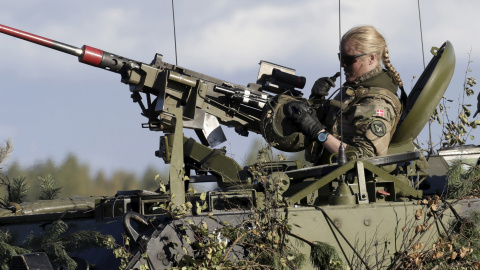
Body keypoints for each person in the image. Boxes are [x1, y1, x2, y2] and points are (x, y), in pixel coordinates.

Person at [285, 25, 403, 162]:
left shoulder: (377, 103)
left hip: (347, 181)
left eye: (349, 60)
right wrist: (316, 101)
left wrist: (319, 133)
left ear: (372, 58)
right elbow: (330, 130)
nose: (343, 66)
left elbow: (366, 159)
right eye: (341, 58)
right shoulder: (353, 92)